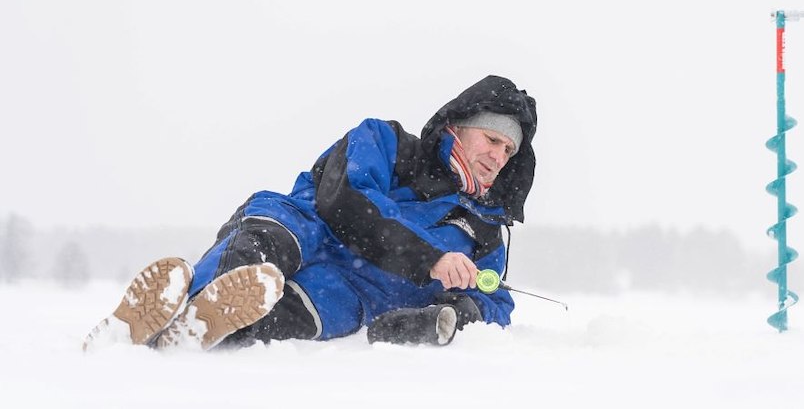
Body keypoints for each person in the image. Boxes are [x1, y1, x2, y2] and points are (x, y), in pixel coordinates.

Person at [83, 75, 537, 351]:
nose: (498, 157)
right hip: (310, 226)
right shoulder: (386, 142)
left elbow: (494, 301)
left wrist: (452, 313)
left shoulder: (485, 229)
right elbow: (347, 199)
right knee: (268, 242)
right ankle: (177, 309)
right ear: (457, 128)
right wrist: (429, 258)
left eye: (508, 151)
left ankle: (196, 331)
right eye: (492, 140)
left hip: (351, 291)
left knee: (288, 313)